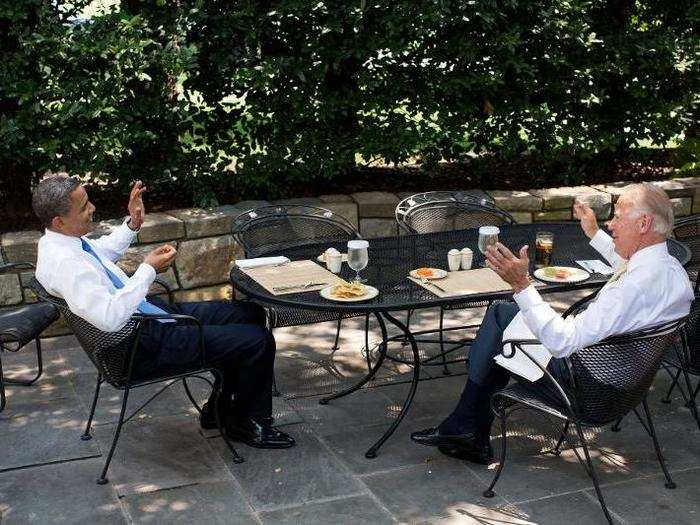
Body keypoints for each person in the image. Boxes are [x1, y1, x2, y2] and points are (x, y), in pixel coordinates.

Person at [411, 183, 693, 464]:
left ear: (643, 224)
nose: (611, 223)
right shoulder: (671, 273)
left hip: (587, 390)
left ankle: (466, 429)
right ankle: (467, 427)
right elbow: (627, 266)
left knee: (500, 318)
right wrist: (593, 232)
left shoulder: (631, 289)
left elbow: (562, 341)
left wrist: (521, 284)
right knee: (505, 321)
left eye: (618, 216)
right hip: (627, 387)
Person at [32, 174, 295, 449]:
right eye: (84, 206)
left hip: (147, 318)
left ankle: (222, 411)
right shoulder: (66, 264)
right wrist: (147, 269)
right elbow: (109, 318)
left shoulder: (61, 243)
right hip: (137, 347)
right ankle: (249, 423)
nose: (92, 208)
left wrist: (132, 224)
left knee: (248, 314)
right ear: (59, 221)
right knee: (256, 341)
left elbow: (102, 253)